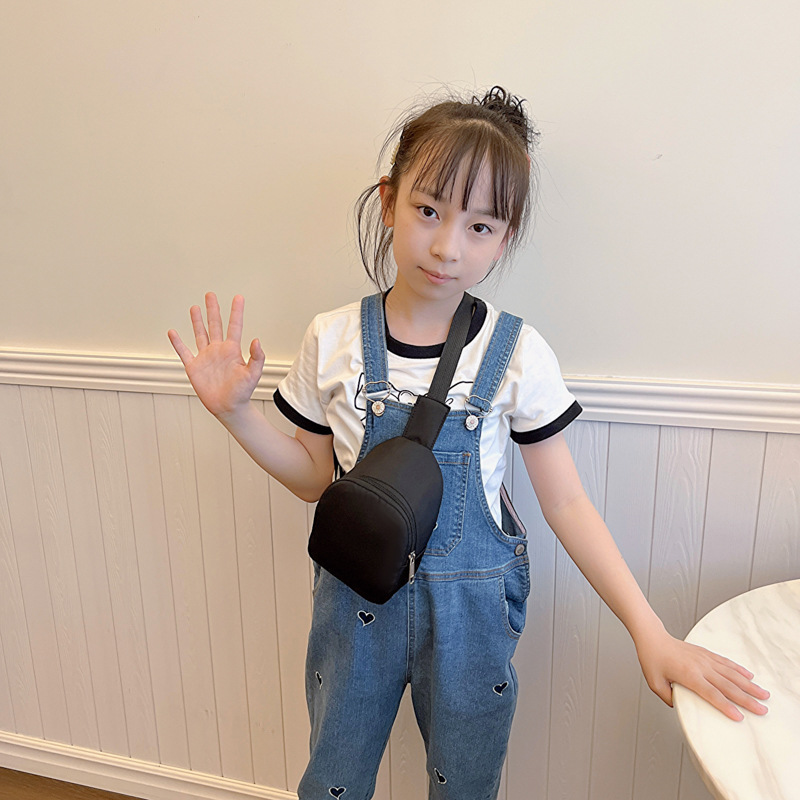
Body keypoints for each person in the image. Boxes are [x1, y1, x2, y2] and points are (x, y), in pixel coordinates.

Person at [168, 86, 769, 799]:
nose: (447, 246)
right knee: (332, 783)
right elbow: (311, 478)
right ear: (388, 202)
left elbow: (568, 504)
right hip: (353, 608)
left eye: (480, 226)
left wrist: (651, 633)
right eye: (428, 210)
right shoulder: (331, 339)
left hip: (472, 619)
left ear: (504, 238)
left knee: (465, 788)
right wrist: (236, 415)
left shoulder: (517, 353)